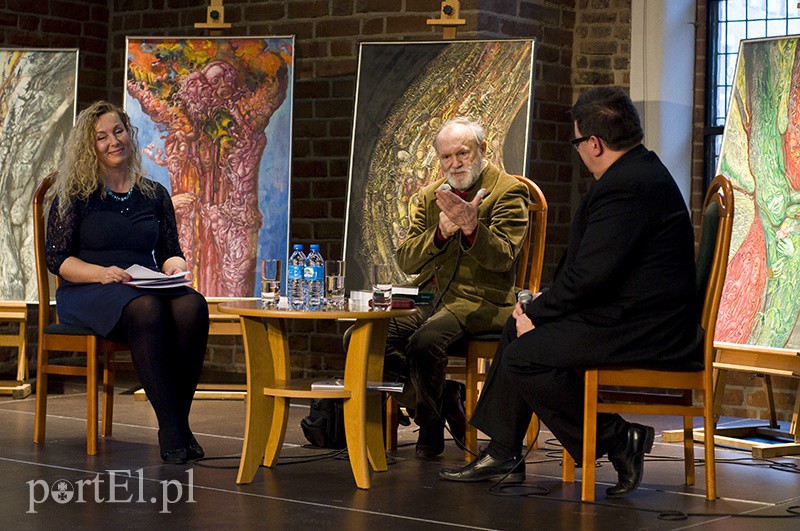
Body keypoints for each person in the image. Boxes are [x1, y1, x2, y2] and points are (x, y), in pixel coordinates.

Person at [439, 87, 703, 498]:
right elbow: (591, 269)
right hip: (627, 313)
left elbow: (592, 277)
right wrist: (537, 307)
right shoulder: (633, 172)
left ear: (594, 143)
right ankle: (504, 452)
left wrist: (542, 313)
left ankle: (619, 438)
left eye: (577, 142)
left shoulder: (628, 186)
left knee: (526, 355)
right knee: (515, 330)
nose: (577, 150)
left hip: (648, 328)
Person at [45, 101, 209, 464]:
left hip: (140, 284)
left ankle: (177, 422)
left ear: (129, 134)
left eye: (117, 131)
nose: (113, 142)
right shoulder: (73, 194)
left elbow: (169, 250)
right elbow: (58, 260)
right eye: (101, 137)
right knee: (148, 310)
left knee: (191, 305)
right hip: (88, 288)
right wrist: (101, 274)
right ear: (90, 146)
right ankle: (172, 430)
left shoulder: (153, 193)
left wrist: (175, 266)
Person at [389, 117, 529, 458]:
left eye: (462, 154)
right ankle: (439, 401)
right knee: (365, 338)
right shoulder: (431, 196)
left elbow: (503, 259)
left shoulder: (508, 191)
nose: (454, 164)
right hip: (430, 298)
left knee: (426, 341)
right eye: (446, 157)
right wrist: (440, 233)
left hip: (479, 300)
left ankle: (431, 430)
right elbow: (406, 261)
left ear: (482, 150)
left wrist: (470, 228)